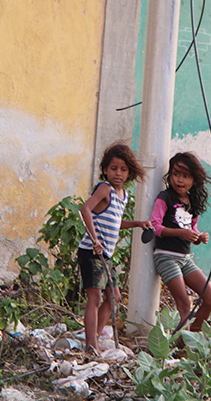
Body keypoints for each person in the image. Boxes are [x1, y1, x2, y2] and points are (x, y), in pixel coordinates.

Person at [78, 142, 150, 353]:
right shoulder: (105, 188)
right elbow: (85, 209)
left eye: (123, 169)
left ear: (129, 172)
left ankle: (96, 338)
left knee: (114, 297)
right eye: (113, 168)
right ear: (105, 170)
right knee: (95, 297)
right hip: (91, 252)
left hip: (105, 255)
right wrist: (94, 239)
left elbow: (114, 221)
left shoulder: (123, 196)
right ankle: (91, 345)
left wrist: (137, 223)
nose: (118, 173)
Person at [151, 152, 211, 332]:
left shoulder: (192, 203)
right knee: (184, 305)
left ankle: (188, 339)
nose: (180, 180)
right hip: (166, 257)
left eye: (186, 176)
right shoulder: (164, 198)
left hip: (185, 259)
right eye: (176, 174)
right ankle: (184, 347)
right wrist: (182, 233)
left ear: (194, 180)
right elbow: (155, 226)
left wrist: (199, 236)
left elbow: (191, 229)